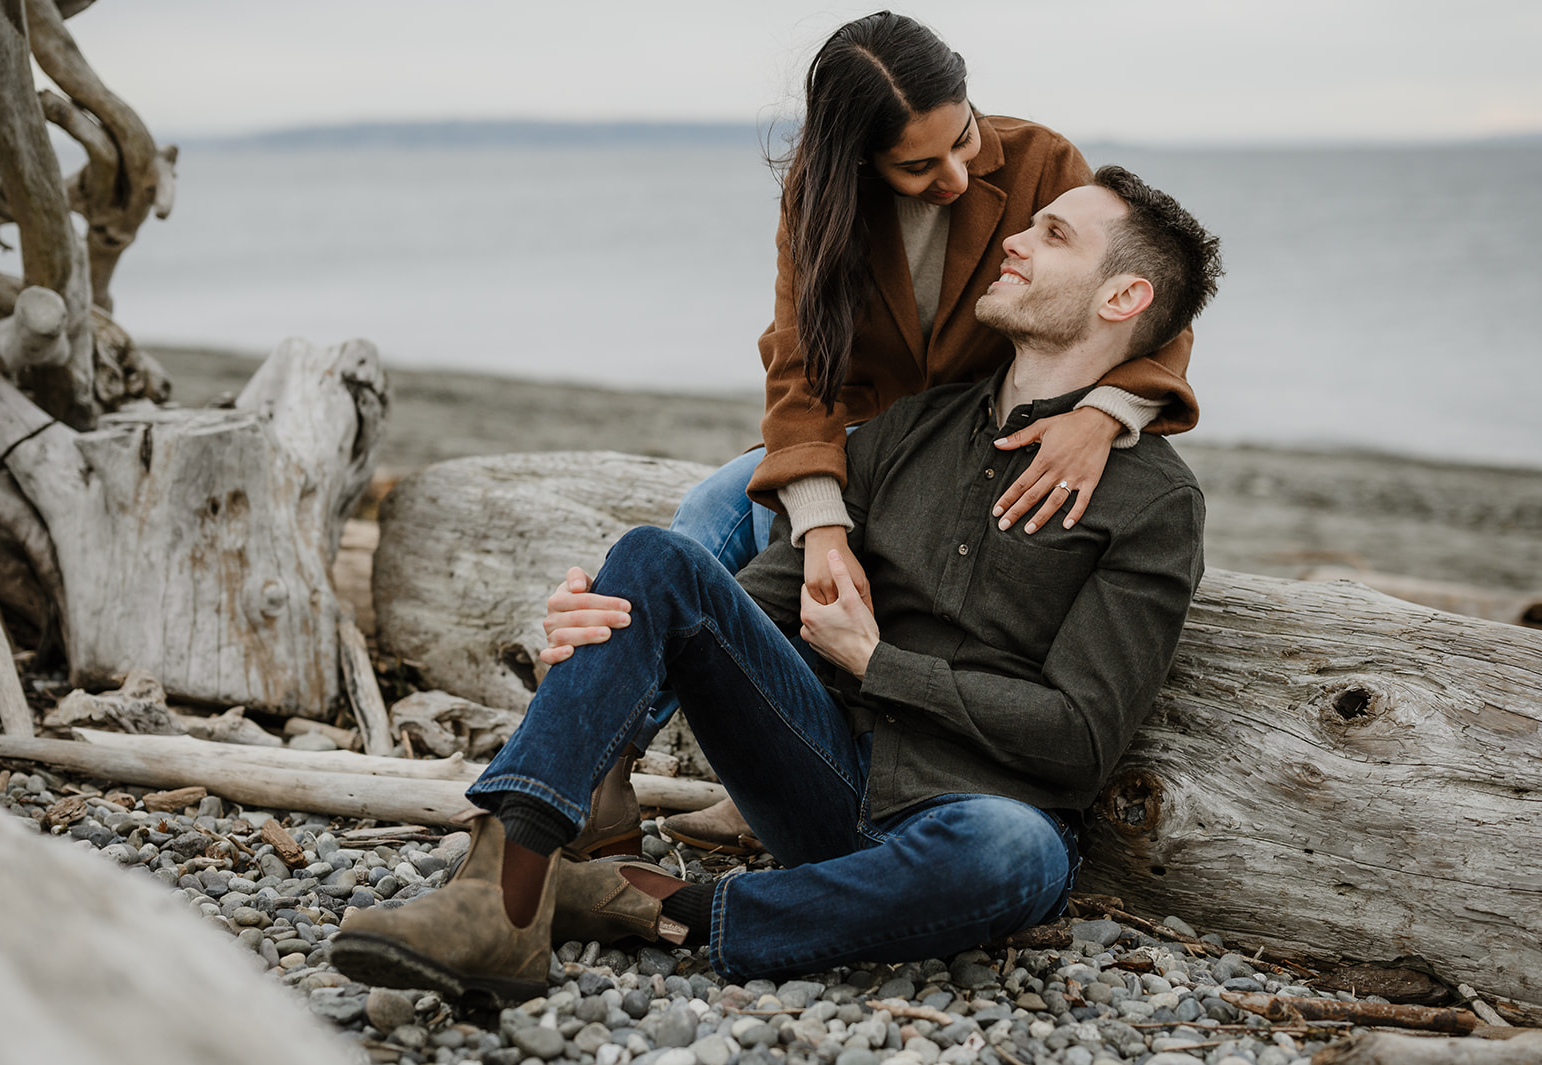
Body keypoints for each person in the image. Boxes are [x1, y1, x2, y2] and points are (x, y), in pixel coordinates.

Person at [331, 165, 1223, 998]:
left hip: (974, 819)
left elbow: (1079, 736)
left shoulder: (1154, 503)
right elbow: (746, 607)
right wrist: (622, 616)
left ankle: (648, 906)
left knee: (1014, 855)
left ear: (1124, 297)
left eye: (1054, 235)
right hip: (820, 773)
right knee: (652, 556)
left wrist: (881, 664)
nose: (1015, 241)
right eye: (1027, 225)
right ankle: (504, 893)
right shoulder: (908, 430)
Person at [612, 10, 1203, 854]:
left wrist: (1103, 415)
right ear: (860, 158)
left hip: (999, 444)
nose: (957, 175)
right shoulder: (821, 202)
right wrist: (819, 525)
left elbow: (1152, 306)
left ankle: (794, 774)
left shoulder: (1043, 162)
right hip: (877, 445)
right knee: (713, 511)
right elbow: (800, 364)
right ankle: (610, 762)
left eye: (963, 139)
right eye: (919, 165)